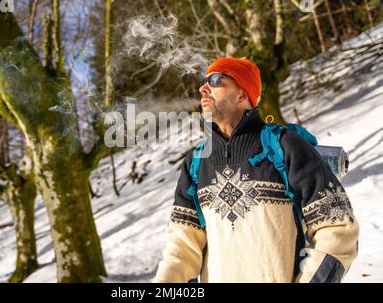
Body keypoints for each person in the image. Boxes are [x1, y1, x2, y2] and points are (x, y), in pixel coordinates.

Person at [153, 57, 359, 283]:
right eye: (204, 80)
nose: (203, 88)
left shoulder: (286, 147)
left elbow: (339, 228)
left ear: (243, 95)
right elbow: (181, 249)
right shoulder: (196, 162)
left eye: (215, 79)